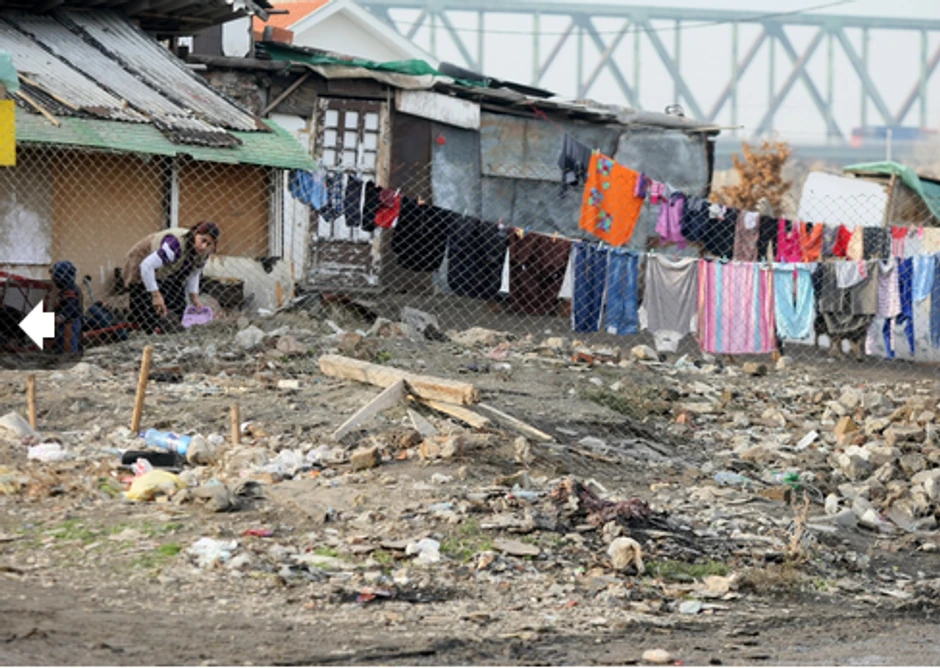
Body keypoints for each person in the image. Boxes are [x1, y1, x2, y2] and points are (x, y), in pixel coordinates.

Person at [123, 221, 220, 333]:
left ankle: (161, 325)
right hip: (142, 259)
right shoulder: (175, 245)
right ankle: (142, 325)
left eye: (208, 244)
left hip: (167, 271)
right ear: (195, 233)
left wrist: (194, 298)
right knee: (146, 312)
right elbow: (146, 266)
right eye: (203, 240)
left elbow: (194, 273)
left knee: (178, 308)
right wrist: (156, 295)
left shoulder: (204, 253)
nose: (204, 246)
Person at [51, 260, 83, 354]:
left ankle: (68, 357)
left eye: (55, 277)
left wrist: (60, 317)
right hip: (67, 323)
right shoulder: (67, 289)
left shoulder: (69, 291)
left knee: (67, 345)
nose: (53, 279)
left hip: (69, 324)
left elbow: (70, 308)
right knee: (63, 343)